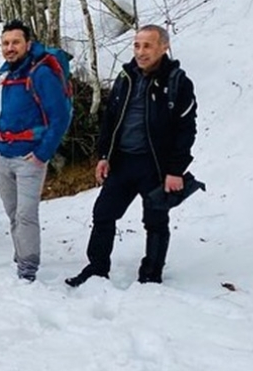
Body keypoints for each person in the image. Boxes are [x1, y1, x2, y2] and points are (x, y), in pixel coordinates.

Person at [66, 25, 197, 287]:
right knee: (103, 213)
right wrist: (104, 155)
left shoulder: (177, 82)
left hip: (156, 165)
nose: (140, 51)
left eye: (148, 45)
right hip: (123, 161)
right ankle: (97, 268)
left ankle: (151, 274)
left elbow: (186, 130)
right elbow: (110, 119)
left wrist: (175, 170)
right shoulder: (126, 77)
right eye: (137, 45)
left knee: (155, 220)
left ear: (164, 47)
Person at [0, 19, 73, 282]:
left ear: (28, 44)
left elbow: (60, 117)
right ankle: (21, 254)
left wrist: (42, 154)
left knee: (26, 215)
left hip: (29, 157)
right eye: (6, 43)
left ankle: (27, 269)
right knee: (13, 213)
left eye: (15, 42)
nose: (10, 47)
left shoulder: (41, 74)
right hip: (4, 154)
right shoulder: (10, 74)